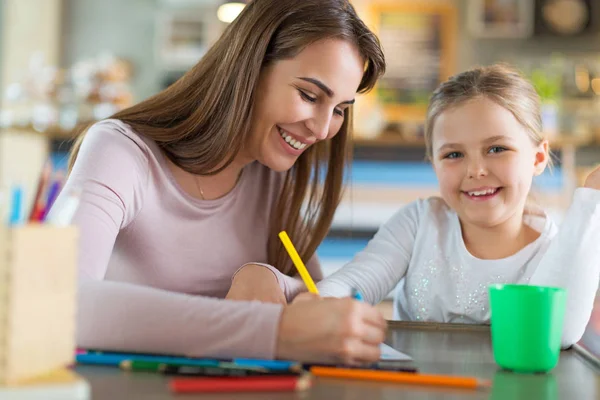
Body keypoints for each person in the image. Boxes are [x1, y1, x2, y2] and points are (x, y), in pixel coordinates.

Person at [53, 0, 388, 364]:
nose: (323, 129)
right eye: (309, 96)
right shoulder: (122, 151)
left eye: (339, 109)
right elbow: (58, 301)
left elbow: (316, 297)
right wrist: (270, 331)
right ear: (249, 68)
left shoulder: (273, 176)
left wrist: (268, 278)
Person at [316, 64, 600, 347]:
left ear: (538, 159)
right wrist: (324, 304)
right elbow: (353, 283)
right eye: (453, 154)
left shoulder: (555, 254)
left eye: (497, 149)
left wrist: (590, 202)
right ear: (435, 164)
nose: (475, 170)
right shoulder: (420, 223)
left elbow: (558, 332)